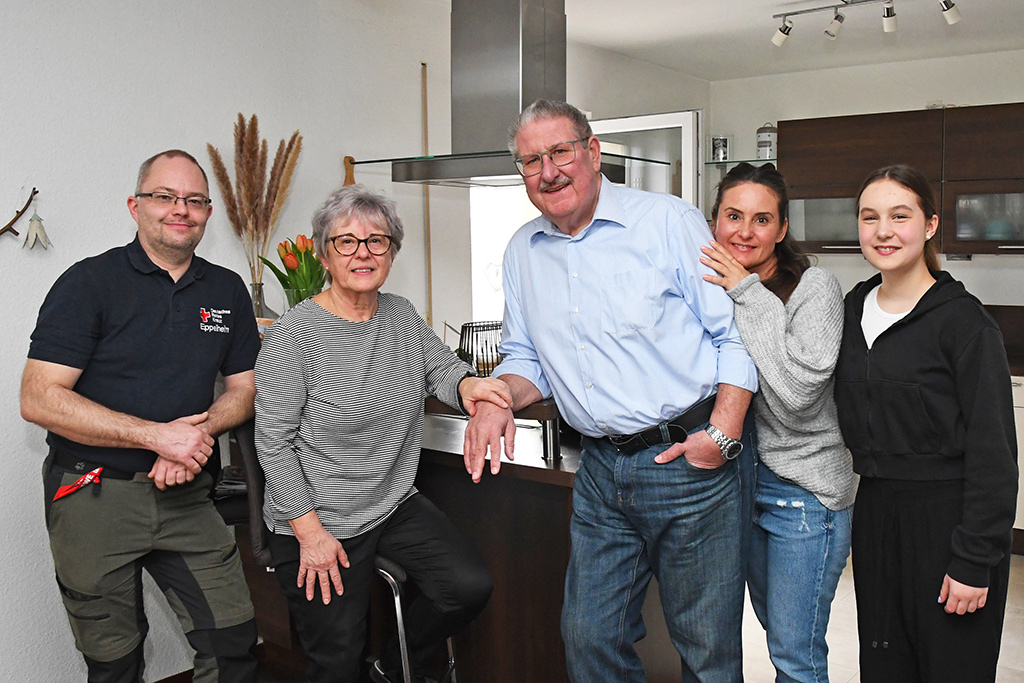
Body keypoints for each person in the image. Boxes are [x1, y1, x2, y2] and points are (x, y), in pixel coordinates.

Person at [464, 99, 759, 683]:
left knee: (706, 651)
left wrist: (721, 435)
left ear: (593, 152)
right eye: (530, 162)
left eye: (560, 152)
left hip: (690, 463)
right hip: (601, 472)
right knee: (589, 635)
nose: (548, 171)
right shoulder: (523, 251)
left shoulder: (669, 222)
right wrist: (497, 395)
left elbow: (736, 332)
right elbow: (528, 360)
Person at [20, 149, 261, 682]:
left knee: (234, 642)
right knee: (114, 663)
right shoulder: (88, 283)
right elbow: (39, 397)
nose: (181, 209)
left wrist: (191, 438)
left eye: (195, 200)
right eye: (165, 197)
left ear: (207, 213)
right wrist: (156, 437)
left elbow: (243, 392)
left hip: (188, 494)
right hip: (92, 494)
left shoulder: (225, 290)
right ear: (136, 205)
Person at [255, 184, 505, 683]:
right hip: (316, 518)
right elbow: (273, 442)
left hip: (390, 504)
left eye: (377, 241)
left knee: (467, 585)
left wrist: (475, 387)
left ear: (392, 251)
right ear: (325, 254)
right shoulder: (294, 333)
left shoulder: (401, 315)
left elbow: (443, 372)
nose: (363, 252)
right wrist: (310, 533)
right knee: (335, 663)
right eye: (346, 241)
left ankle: (390, 669)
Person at [834, 165, 1017, 682]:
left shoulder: (965, 323)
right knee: (886, 664)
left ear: (930, 225)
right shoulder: (851, 310)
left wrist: (974, 560)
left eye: (900, 216)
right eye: (869, 218)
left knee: (950, 668)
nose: (883, 231)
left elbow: (994, 455)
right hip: (875, 514)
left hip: (949, 520)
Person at [700, 162, 857, 683]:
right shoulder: (707, 286)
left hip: (805, 493)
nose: (744, 232)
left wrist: (746, 291)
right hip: (739, 486)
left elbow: (795, 398)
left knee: (794, 650)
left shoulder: (816, 289)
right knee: (774, 631)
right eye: (733, 216)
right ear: (714, 220)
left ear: (782, 229)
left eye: (761, 219)